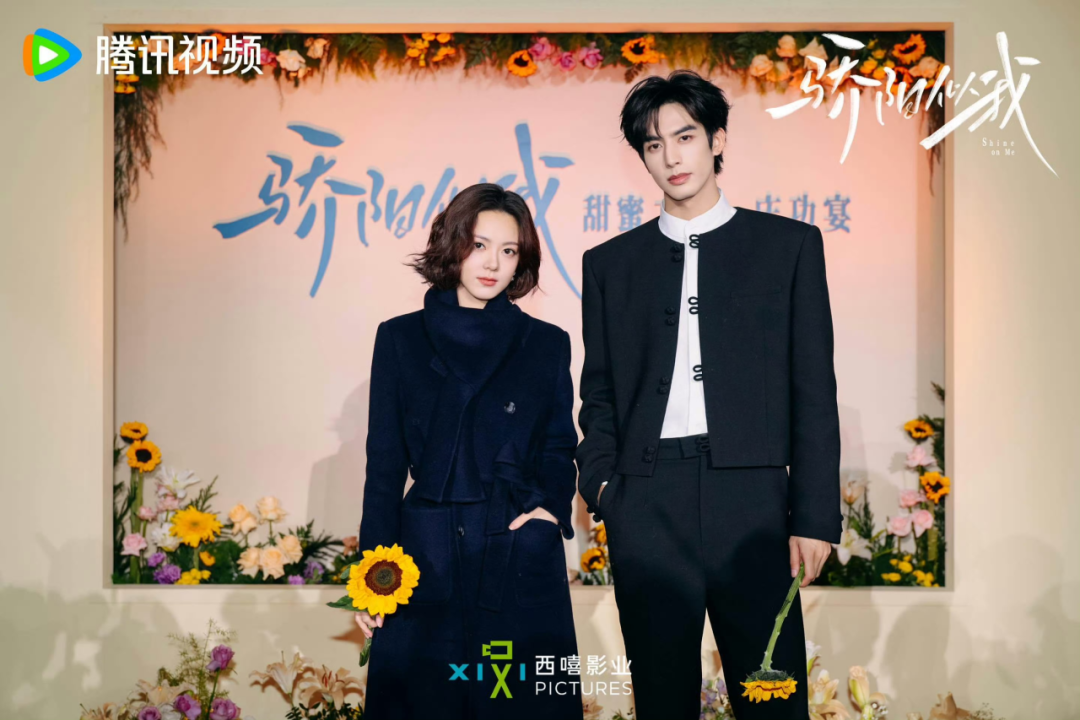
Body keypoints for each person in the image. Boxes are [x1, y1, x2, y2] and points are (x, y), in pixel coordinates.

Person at [575, 69, 843, 720]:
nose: (671, 156)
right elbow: (600, 391)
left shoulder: (788, 247)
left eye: (685, 136)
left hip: (751, 500)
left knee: (773, 695)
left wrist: (813, 516)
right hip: (647, 501)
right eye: (653, 144)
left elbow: (814, 387)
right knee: (662, 701)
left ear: (717, 140)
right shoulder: (610, 264)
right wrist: (605, 486)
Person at [353, 183, 584, 720]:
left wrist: (548, 512)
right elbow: (384, 467)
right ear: (453, 243)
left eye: (509, 251)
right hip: (424, 554)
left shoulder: (546, 343)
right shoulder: (400, 339)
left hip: (516, 544)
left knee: (523, 706)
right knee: (424, 703)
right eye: (479, 245)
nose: (493, 264)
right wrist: (374, 578)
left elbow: (558, 445)